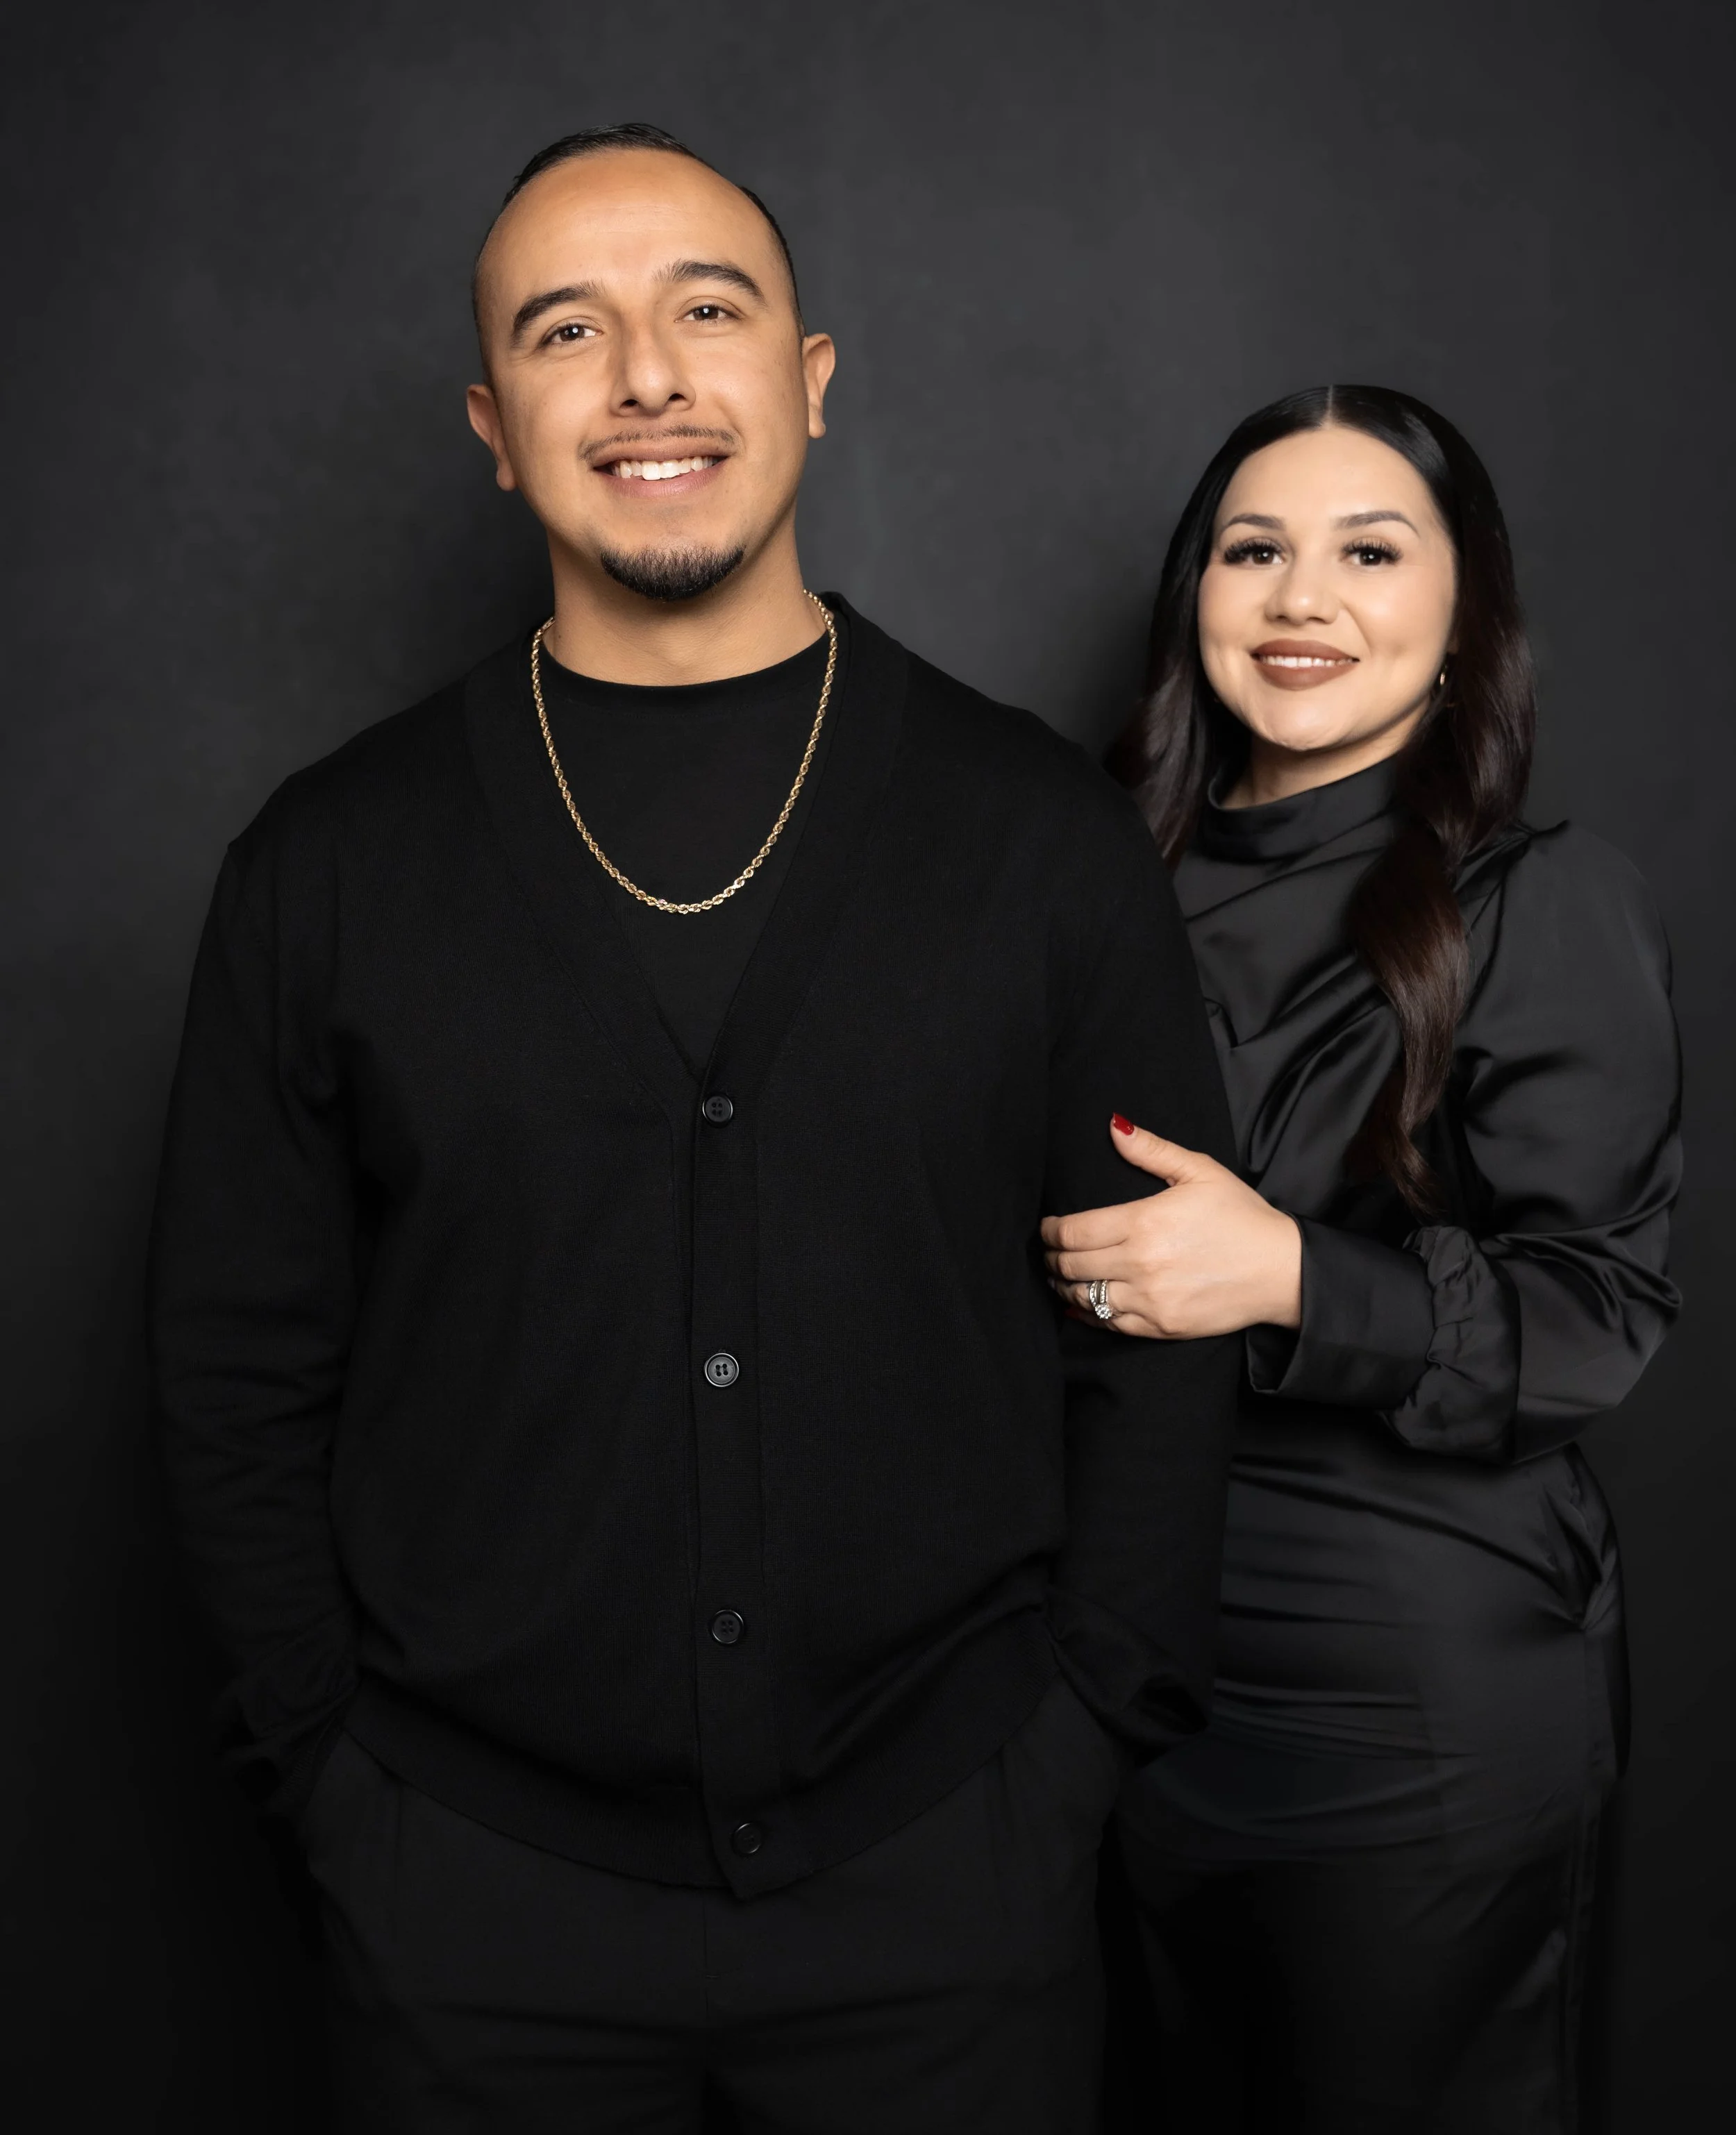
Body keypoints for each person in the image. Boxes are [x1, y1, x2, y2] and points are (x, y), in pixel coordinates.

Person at [147, 123, 1239, 2133]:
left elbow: (1157, 1339)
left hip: (949, 1884)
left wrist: (1080, 1739)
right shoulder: (327, 863)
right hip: (467, 1903)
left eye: (704, 309)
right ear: (496, 427)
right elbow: (232, 1366)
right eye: (569, 331)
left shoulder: (1039, 843)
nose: (646, 372)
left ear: (807, 379)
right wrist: (330, 1776)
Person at [1043, 385, 1680, 2132]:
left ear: (1462, 610)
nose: (1298, 596)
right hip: (1103, 1671)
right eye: (1252, 549)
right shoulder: (1078, 878)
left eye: (1366, 550)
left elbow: (1596, 1316)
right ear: (1195, 594)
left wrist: (1290, 1279)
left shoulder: (1538, 901)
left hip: (1404, 1700)